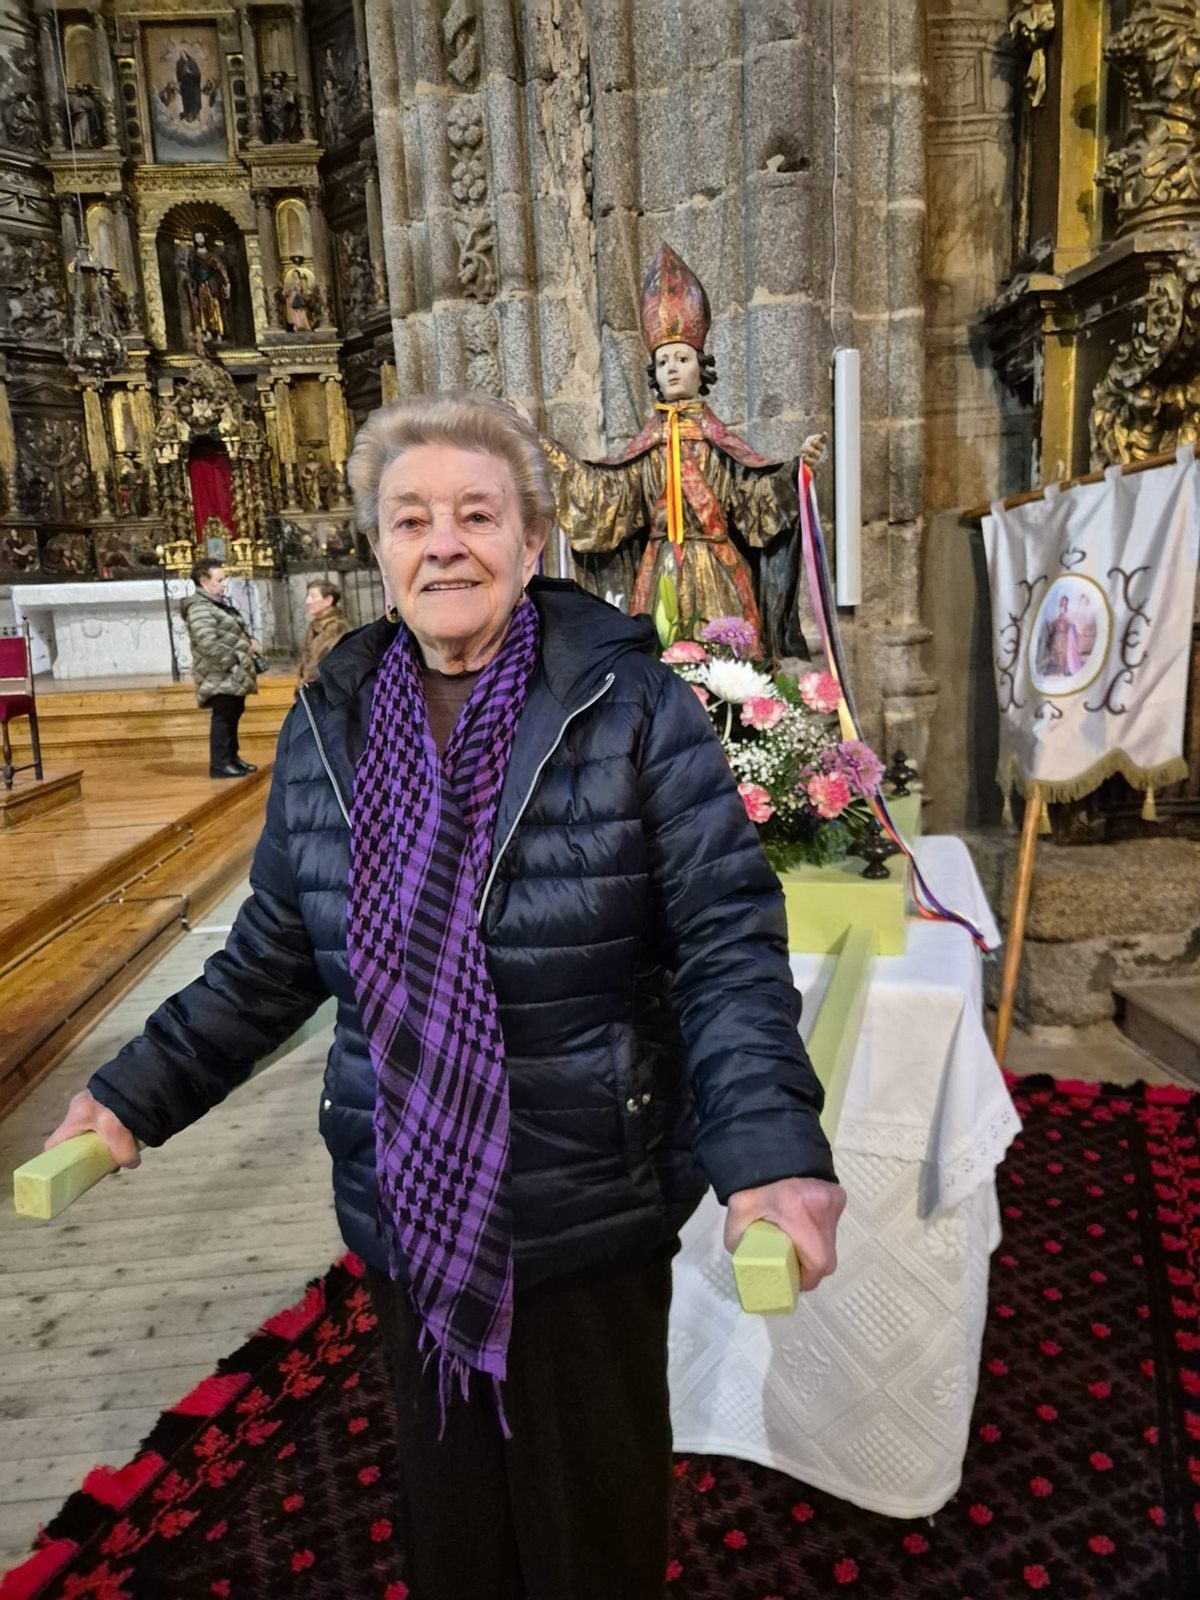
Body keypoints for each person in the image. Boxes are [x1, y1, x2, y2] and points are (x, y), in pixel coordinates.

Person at [45, 393, 844, 1600]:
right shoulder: (330, 724)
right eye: (411, 518)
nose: (445, 543)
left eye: (478, 513)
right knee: (456, 1528)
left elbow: (725, 942)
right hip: (410, 1207)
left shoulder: (631, 707)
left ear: (533, 541)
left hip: (582, 1202)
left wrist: (770, 1148)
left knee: (589, 1533)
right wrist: (126, 1098)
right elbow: (271, 954)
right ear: (378, 548)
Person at [540, 242, 825, 660]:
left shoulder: (720, 442)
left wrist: (795, 469)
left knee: (726, 672)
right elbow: (605, 498)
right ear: (653, 374)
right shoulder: (647, 447)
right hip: (659, 577)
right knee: (660, 666)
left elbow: (755, 503)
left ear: (701, 366)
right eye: (662, 361)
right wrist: (544, 452)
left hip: (718, 572)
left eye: (681, 358)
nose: (672, 368)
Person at [181, 558, 260, 778]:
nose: (225, 583)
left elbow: (230, 633)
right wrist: (232, 661)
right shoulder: (199, 608)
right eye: (220, 579)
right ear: (203, 581)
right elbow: (207, 643)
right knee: (224, 716)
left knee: (233, 712)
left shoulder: (215, 604)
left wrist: (248, 643)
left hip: (230, 673)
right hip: (220, 673)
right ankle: (220, 763)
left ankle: (232, 758)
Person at [296, 577, 350, 685]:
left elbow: (325, 664)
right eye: (308, 596)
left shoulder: (336, 627)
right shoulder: (315, 626)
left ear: (328, 600)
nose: (307, 601)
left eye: (313, 596)